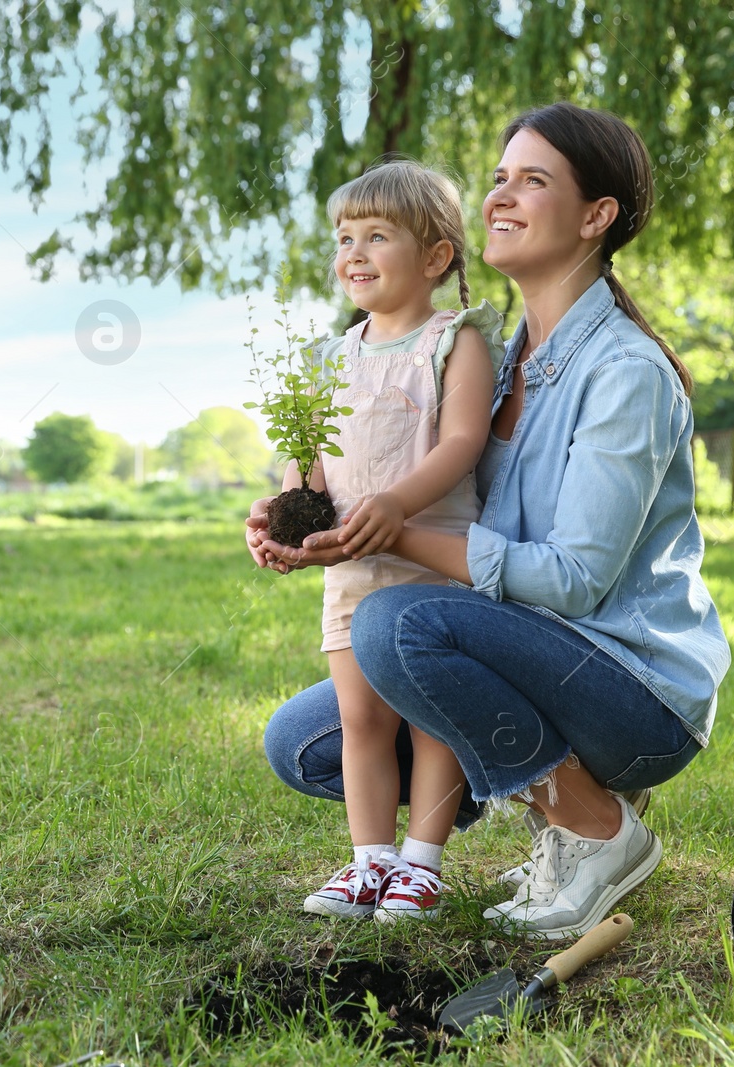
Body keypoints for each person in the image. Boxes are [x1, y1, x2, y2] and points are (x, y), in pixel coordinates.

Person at [249, 104, 731, 940]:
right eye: (499, 177)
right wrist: (299, 510)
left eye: (532, 180)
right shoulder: (504, 357)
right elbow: (374, 448)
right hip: (534, 656)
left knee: (397, 621)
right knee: (306, 739)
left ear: (595, 217)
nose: (500, 196)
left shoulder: (623, 372)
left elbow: (576, 578)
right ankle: (545, 809)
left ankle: (594, 825)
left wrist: (393, 532)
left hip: (633, 691)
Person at [272, 160, 507, 922]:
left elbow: (463, 441)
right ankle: (368, 861)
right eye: (345, 238)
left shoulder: (453, 341)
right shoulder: (330, 358)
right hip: (350, 572)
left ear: (437, 257)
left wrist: (395, 506)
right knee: (362, 720)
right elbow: (301, 466)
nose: (355, 253)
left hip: (430, 573)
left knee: (429, 720)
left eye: (377, 235)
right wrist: (277, 516)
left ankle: (422, 863)